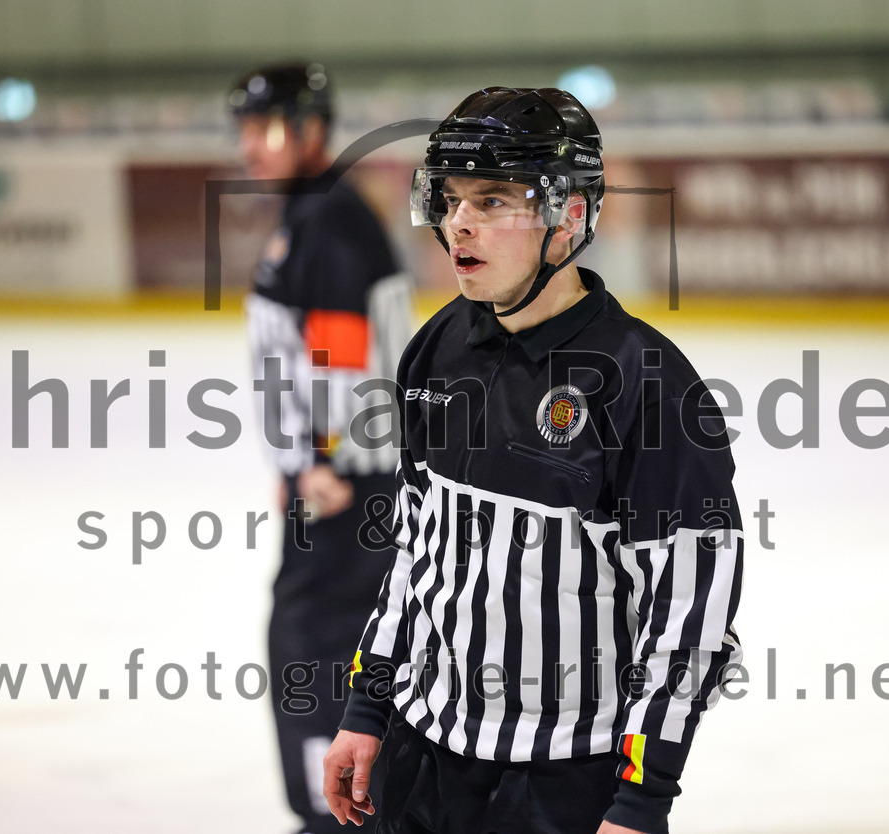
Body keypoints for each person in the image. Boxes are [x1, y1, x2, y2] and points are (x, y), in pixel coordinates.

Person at [322, 87, 743, 834]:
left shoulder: (646, 384)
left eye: (491, 200)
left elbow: (689, 615)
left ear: (569, 215)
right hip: (423, 760)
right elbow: (418, 554)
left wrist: (640, 802)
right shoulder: (438, 345)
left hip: (564, 784)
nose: (459, 223)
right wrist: (368, 707)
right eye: (450, 199)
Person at [229, 62, 412, 834]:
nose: (253, 147)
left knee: (316, 643)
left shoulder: (327, 219)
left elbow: (339, 349)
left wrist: (322, 461)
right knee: (320, 639)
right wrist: (295, 459)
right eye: (245, 130)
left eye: (270, 129)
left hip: (351, 480)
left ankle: (334, 809)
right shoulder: (313, 213)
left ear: (315, 131)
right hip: (339, 473)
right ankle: (341, 804)